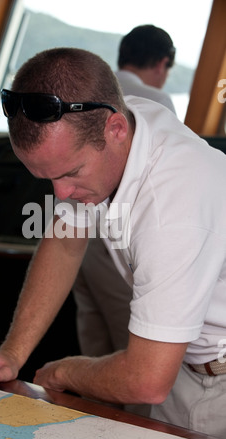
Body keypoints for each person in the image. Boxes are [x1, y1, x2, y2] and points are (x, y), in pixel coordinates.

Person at [0, 48, 226, 439]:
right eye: (46, 178)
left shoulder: (174, 206)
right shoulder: (121, 119)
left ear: (116, 131)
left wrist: (64, 371)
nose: (62, 194)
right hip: (183, 364)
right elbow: (65, 240)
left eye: (71, 173)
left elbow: (146, 380)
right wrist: (13, 353)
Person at [73, 26, 176, 415]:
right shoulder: (156, 99)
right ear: (162, 63)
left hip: (78, 241)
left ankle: (88, 428)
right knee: (128, 359)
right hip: (118, 245)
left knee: (93, 345)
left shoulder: (95, 95)